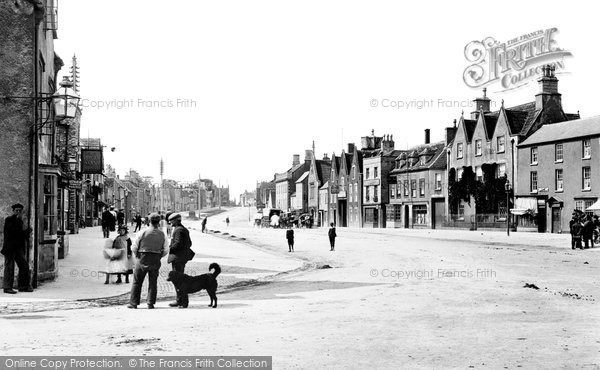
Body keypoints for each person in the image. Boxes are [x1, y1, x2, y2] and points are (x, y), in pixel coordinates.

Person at [128, 213, 168, 309]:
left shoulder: (142, 232)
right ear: (158, 222)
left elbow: (134, 247)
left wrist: (137, 255)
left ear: (149, 221)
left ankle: (134, 303)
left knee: (137, 281)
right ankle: (150, 303)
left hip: (142, 257)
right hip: (155, 258)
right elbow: (166, 250)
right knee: (153, 282)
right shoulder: (162, 234)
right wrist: (159, 256)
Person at [2, 203, 33, 294]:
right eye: (16, 210)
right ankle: (7, 287)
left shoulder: (19, 221)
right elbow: (13, 233)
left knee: (24, 265)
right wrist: (25, 232)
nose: (18, 212)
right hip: (10, 248)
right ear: (13, 211)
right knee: (9, 267)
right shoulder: (9, 220)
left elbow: (20, 235)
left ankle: (23, 286)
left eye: (20, 210)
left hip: (18, 248)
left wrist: (26, 232)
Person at [167, 213, 195, 307]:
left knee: (178, 281)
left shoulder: (178, 230)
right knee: (180, 279)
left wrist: (169, 249)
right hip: (181, 258)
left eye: (171, 220)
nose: (170, 222)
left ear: (176, 220)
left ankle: (181, 301)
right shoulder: (183, 229)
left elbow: (177, 244)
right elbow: (189, 243)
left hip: (178, 259)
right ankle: (181, 300)